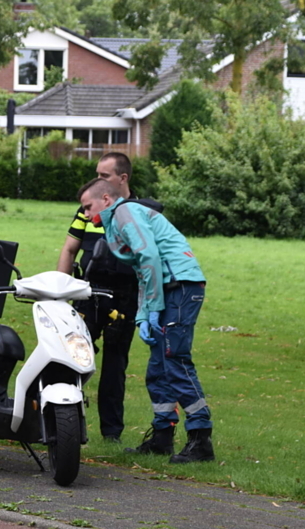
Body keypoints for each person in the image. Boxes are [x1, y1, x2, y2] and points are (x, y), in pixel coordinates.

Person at [78, 178, 214, 464]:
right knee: (157, 368)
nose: (87, 216)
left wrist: (154, 307)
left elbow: (150, 257)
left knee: (174, 360)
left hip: (180, 285)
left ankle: (201, 439)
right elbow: (143, 268)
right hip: (170, 288)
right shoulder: (116, 222)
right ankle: (162, 436)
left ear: (105, 199)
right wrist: (144, 315)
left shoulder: (125, 212)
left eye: (88, 207)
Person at [56, 153, 140, 443]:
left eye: (104, 176)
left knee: (115, 368)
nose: (97, 180)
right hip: (87, 294)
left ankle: (111, 434)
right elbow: (69, 250)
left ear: (122, 178)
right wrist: (61, 293)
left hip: (124, 297)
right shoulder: (87, 208)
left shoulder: (138, 211)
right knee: (73, 359)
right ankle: (63, 425)